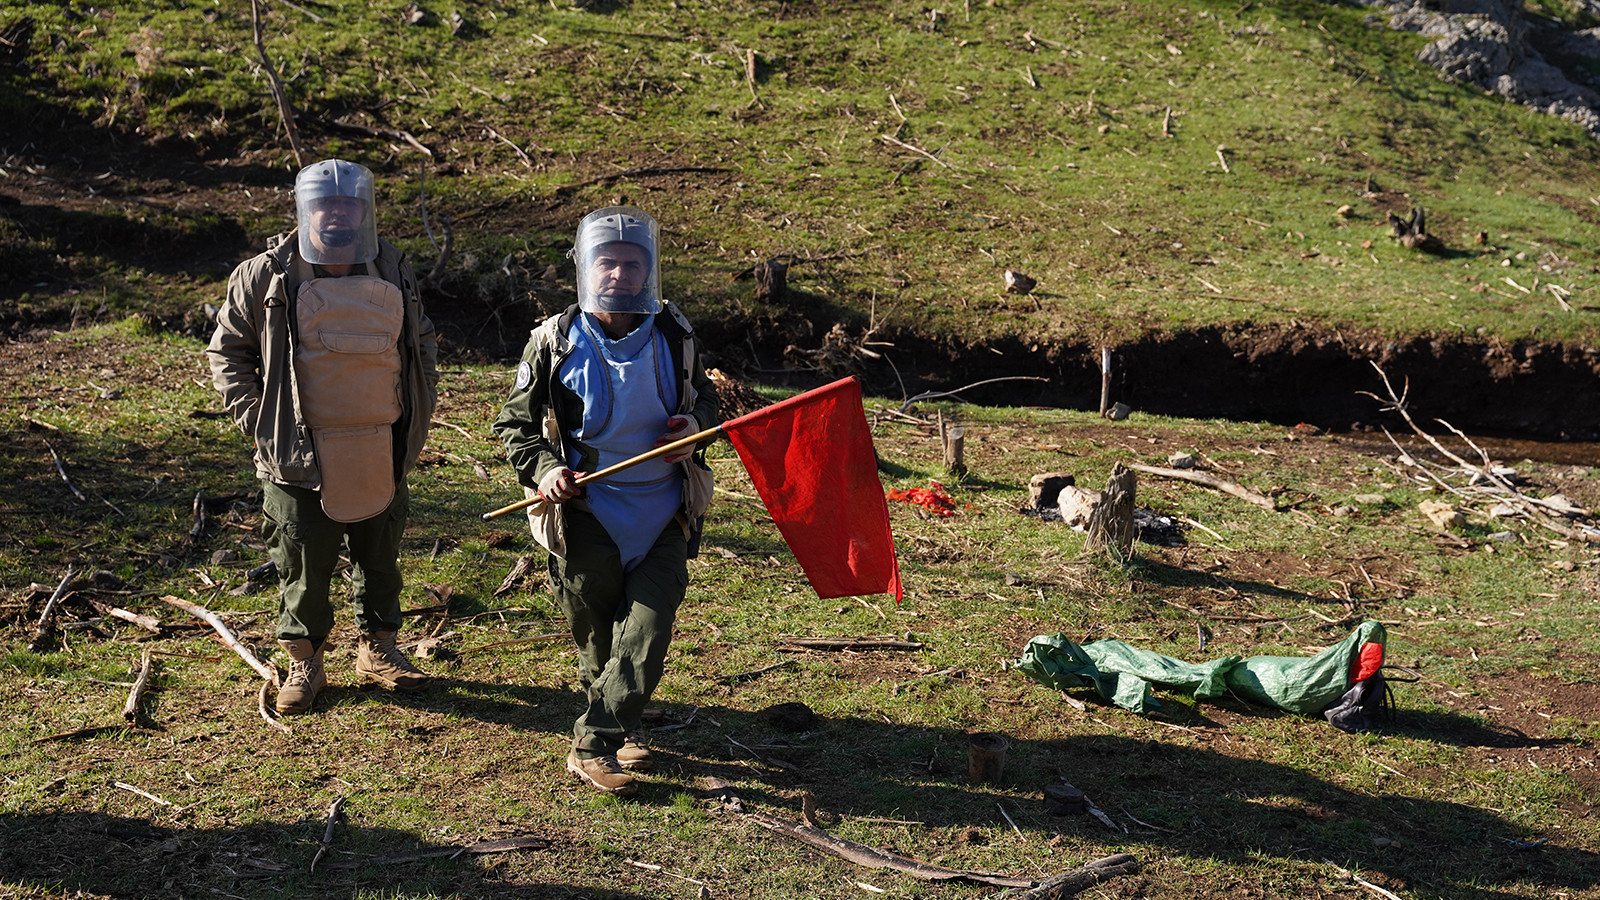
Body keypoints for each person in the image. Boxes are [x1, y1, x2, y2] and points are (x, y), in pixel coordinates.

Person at [494, 206, 718, 796]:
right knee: (598, 640)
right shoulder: (553, 339)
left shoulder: (676, 334)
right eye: (607, 262)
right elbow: (513, 425)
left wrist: (693, 421)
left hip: (665, 511)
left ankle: (593, 745)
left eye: (631, 262)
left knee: (646, 628)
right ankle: (623, 722)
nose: (619, 273)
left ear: (649, 271)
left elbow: (710, 403)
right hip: (586, 515)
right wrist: (545, 469)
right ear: (587, 268)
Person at [207, 159, 439, 715]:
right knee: (302, 564)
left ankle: (380, 649)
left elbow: (421, 340)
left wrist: (417, 411)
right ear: (306, 209)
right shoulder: (266, 274)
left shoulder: (392, 265)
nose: (338, 214)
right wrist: (261, 421)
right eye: (327, 204)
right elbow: (228, 353)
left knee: (380, 556)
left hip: (379, 443)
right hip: (297, 455)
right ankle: (304, 662)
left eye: (348, 204)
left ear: (364, 209)